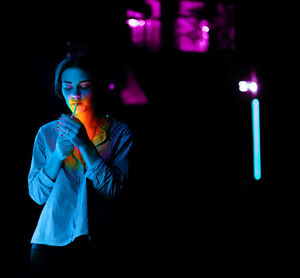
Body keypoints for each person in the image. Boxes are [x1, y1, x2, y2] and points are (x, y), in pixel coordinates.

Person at [28, 53, 133, 277]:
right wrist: (57, 156)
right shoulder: (47, 133)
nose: (75, 95)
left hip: (99, 246)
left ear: (98, 87)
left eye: (84, 86)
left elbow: (114, 191)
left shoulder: (119, 133)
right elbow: (37, 195)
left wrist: (86, 145)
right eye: (67, 87)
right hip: (49, 242)